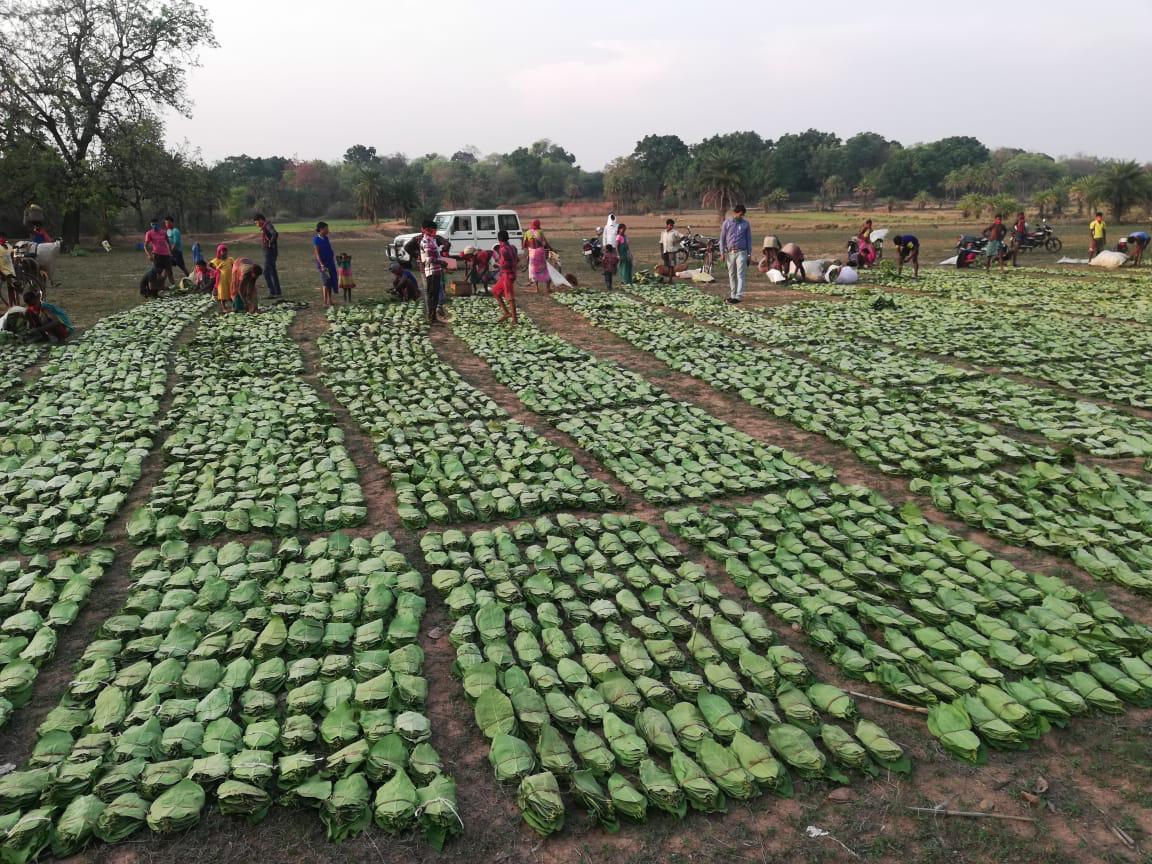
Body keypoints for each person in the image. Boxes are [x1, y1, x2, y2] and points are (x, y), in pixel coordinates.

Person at [720, 204, 753, 303]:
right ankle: (732, 295)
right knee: (732, 274)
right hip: (730, 252)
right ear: (735, 213)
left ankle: (738, 296)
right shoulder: (727, 223)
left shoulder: (745, 224)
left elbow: (749, 240)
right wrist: (722, 253)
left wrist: (749, 254)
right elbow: (722, 239)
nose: (741, 216)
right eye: (740, 214)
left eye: (743, 215)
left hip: (742, 252)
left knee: (740, 274)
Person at [418, 218, 445, 324]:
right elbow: (429, 259)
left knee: (435, 294)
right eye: (434, 230)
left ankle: (433, 317)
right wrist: (441, 262)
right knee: (432, 295)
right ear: (428, 229)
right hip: (432, 271)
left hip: (436, 270)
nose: (436, 232)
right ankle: (431, 317)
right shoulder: (426, 242)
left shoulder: (432, 240)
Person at [493, 229, 519, 325]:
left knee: (510, 297)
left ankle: (515, 319)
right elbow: (517, 260)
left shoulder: (503, 250)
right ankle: (506, 313)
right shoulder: (512, 247)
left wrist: (498, 265)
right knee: (495, 291)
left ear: (499, 239)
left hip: (508, 274)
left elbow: (505, 265)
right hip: (507, 274)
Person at [254, 213, 282, 299]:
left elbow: (275, 233)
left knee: (266, 272)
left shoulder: (268, 225)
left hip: (269, 253)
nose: (256, 224)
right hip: (271, 252)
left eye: (256, 222)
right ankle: (277, 292)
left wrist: (270, 243)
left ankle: (272, 292)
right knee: (273, 271)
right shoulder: (266, 226)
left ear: (260, 220)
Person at [522, 218, 553, 294]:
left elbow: (524, 244)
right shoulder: (540, 232)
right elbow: (545, 242)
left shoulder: (527, 232)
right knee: (544, 269)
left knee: (534, 270)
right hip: (540, 252)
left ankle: (537, 289)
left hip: (532, 253)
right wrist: (551, 248)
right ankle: (548, 288)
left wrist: (530, 246)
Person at [313, 221, 339, 308]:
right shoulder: (316, 239)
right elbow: (317, 253)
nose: (328, 230)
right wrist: (322, 264)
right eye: (326, 228)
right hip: (323, 264)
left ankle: (330, 300)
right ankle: (325, 302)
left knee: (331, 281)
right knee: (325, 282)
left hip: (330, 262)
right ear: (321, 229)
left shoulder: (326, 238)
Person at [144, 218, 174, 286]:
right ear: (151, 225)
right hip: (157, 255)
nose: (155, 226)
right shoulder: (149, 233)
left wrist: (171, 253)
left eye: (156, 224)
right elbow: (145, 246)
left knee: (169, 272)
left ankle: (174, 286)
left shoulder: (163, 232)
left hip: (166, 255)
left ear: (158, 224)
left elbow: (168, 243)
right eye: (153, 224)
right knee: (158, 273)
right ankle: (160, 287)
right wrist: (149, 255)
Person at [209, 243, 234, 313]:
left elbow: (234, 265)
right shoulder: (217, 260)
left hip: (230, 278)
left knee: (231, 291)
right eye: (222, 251)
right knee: (222, 293)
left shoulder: (230, 259)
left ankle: (234, 304)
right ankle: (224, 307)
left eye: (225, 251)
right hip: (221, 279)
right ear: (219, 252)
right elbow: (210, 264)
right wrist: (216, 269)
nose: (224, 253)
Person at [0, 233, 16, 307]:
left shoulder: (9, 246)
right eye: (1, 237)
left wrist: (14, 261)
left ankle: (12, 304)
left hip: (10, 270)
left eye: (4, 237)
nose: (2, 238)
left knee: (11, 289)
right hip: (2, 270)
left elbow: (12, 255)